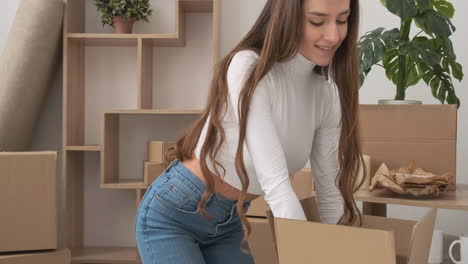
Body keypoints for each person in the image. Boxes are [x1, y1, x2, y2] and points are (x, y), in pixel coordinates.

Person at [135, 0, 366, 263]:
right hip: (175, 213)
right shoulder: (249, 68)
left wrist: (343, 253)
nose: (334, 36)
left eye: (342, 20)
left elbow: (330, 192)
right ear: (287, 18)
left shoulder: (325, 94)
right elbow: (277, 187)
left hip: (230, 221)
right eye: (317, 21)